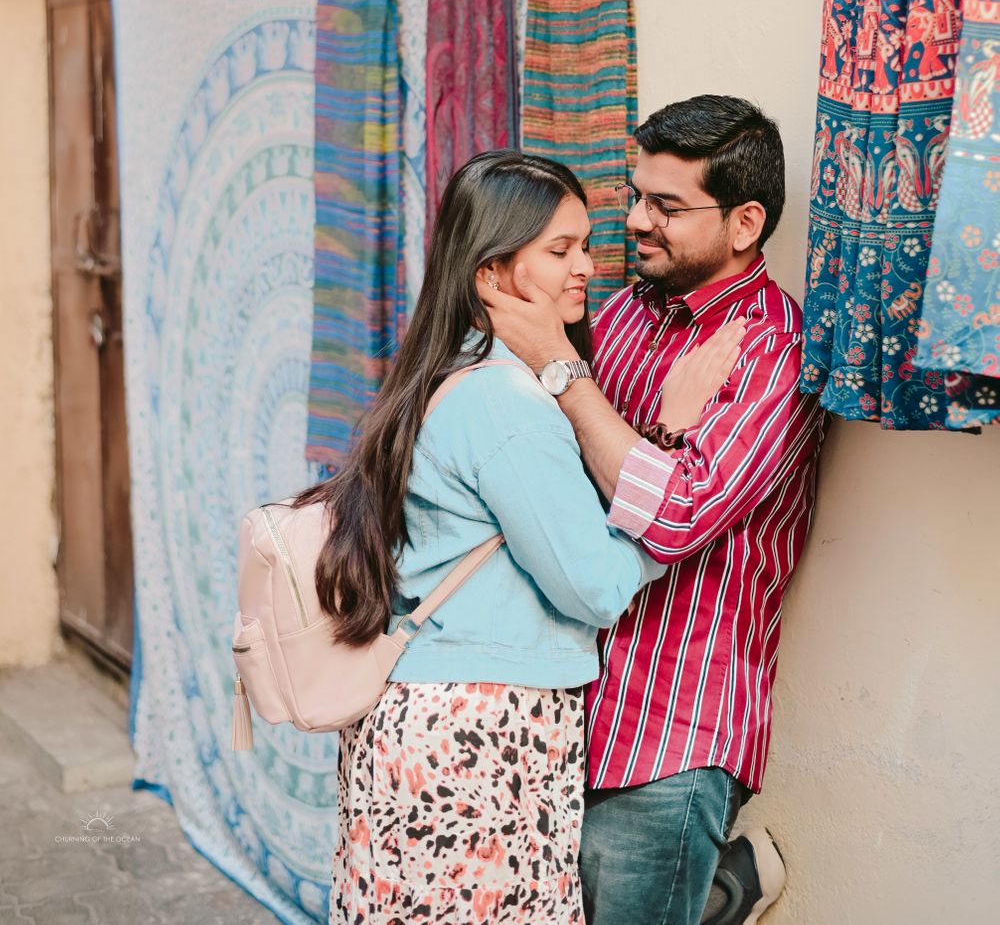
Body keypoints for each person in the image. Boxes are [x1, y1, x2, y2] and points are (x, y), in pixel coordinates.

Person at [296, 150, 742, 924]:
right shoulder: (507, 402)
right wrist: (668, 449)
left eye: (586, 246)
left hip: (429, 723)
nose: (586, 269)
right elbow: (596, 584)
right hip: (479, 734)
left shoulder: (452, 374)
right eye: (559, 251)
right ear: (491, 273)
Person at [482, 96, 825, 925]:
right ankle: (720, 889)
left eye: (667, 207)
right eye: (635, 196)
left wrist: (567, 373)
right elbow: (567, 470)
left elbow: (669, 518)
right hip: (569, 701)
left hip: (674, 731)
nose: (636, 221)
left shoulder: (773, 348)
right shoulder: (629, 308)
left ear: (745, 222)